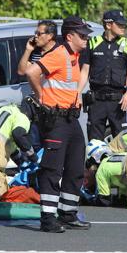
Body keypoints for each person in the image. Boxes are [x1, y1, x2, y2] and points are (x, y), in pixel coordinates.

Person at [25, 15, 92, 233]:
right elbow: (31, 72)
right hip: (56, 120)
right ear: (70, 36)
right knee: (52, 169)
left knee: (75, 167)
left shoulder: (74, 56)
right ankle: (48, 219)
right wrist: (41, 95)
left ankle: (68, 213)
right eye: (82, 35)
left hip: (71, 119)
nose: (86, 39)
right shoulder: (59, 54)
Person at [79, 10, 127, 141]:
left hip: (117, 102)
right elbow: (85, 71)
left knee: (121, 142)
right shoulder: (93, 43)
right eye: (120, 24)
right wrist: (77, 93)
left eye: (124, 25)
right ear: (108, 25)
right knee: (94, 142)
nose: (123, 27)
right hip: (96, 101)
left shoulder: (126, 44)